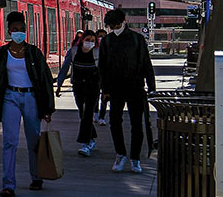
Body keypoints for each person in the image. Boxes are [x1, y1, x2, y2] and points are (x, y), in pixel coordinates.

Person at [0, 11, 55, 197]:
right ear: (9, 31)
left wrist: (47, 108)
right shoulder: (2, 53)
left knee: (33, 140)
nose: (19, 32)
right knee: (9, 142)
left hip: (31, 98)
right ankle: (8, 184)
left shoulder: (34, 53)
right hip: (10, 97)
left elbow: (45, 81)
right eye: (15, 29)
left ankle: (36, 177)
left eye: (22, 29)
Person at [98, 9, 156, 174]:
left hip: (136, 87)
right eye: (111, 26)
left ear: (123, 21)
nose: (114, 28)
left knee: (137, 124)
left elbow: (146, 64)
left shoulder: (138, 40)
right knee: (115, 123)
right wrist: (105, 89)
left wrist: (151, 87)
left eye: (116, 25)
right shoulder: (107, 41)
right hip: (115, 89)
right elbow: (102, 67)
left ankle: (135, 158)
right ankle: (120, 154)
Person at [57, 30, 101, 156]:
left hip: (93, 87)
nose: (90, 43)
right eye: (88, 40)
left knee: (87, 113)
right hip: (78, 86)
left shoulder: (98, 53)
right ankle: (92, 138)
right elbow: (65, 67)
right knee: (82, 113)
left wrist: (107, 89)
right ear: (82, 40)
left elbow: (103, 70)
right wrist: (59, 84)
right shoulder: (74, 51)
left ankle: (85, 144)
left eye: (93, 41)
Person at [95, 29, 109, 126]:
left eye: (103, 36)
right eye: (100, 36)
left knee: (105, 98)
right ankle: (95, 114)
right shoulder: (93, 50)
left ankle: (102, 117)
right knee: (95, 96)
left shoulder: (109, 49)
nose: (101, 38)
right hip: (95, 76)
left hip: (105, 77)